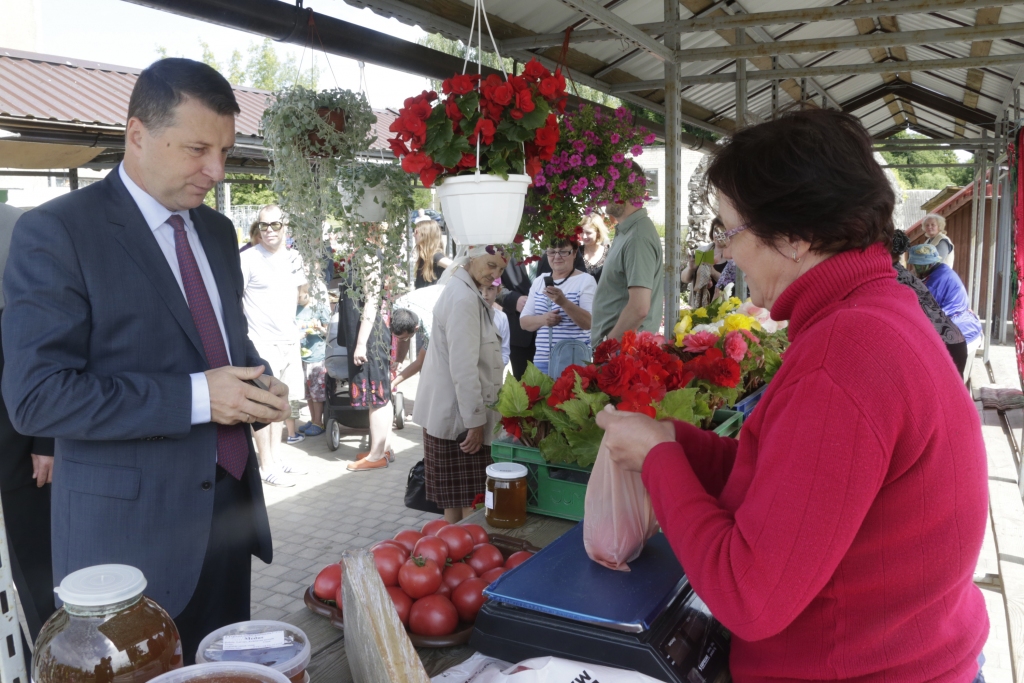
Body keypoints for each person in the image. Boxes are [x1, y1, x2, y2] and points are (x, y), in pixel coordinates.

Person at [594, 108, 988, 683]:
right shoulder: (874, 312)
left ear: (797, 236)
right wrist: (671, 440)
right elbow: (792, 484)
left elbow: (748, 598)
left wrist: (659, 462)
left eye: (732, 231)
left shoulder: (845, 353)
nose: (727, 253)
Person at [1, 58, 291, 662]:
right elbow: (37, 396)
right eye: (197, 149)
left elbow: (220, 347)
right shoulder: (56, 231)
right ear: (136, 134)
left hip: (228, 513)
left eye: (225, 150)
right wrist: (198, 396)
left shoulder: (214, 231)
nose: (215, 169)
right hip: (127, 543)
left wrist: (259, 384)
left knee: (219, 670)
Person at [0, 202, 56, 671]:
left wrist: (45, 441)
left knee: (37, 568)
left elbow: (42, 356)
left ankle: (57, 656)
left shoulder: (16, 222)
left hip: (19, 448)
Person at [414, 245, 507, 523]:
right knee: (472, 503)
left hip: (450, 416)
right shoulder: (465, 298)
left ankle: (454, 558)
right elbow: (464, 369)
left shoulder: (460, 288)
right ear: (472, 254)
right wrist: (475, 422)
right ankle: (466, 559)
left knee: (455, 504)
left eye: (501, 269)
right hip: (460, 421)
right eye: (491, 265)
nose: (495, 274)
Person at [240, 204, 309, 488]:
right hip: (260, 342)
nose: (269, 230)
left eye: (275, 225)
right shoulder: (247, 259)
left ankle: (277, 459)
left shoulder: (295, 257)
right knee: (262, 407)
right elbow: (232, 299)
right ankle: (266, 464)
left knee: (283, 404)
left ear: (285, 226)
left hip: (289, 341)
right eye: (263, 225)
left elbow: (301, 295)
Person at [589, 172, 663, 345]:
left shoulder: (637, 236)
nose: (602, 194)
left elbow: (639, 308)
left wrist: (608, 345)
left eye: (608, 188)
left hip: (623, 353)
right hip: (620, 351)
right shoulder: (629, 231)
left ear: (629, 189)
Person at [341, 250, 396, 472]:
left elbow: (372, 301)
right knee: (382, 394)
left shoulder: (369, 256)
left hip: (370, 339)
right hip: (370, 338)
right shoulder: (365, 254)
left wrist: (361, 343)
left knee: (377, 396)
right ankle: (383, 448)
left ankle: (376, 455)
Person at [891, 230, 968, 377]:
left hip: (946, 344)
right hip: (954, 340)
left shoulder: (900, 277)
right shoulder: (914, 276)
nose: (915, 267)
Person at [909, 243, 983, 382]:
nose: (914, 268)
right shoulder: (940, 271)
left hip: (960, 335)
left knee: (954, 385)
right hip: (964, 330)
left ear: (929, 264)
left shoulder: (936, 281)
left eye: (918, 265)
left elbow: (919, 313)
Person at [520, 239, 596, 375]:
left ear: (574, 253)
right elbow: (524, 322)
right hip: (542, 362)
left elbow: (589, 323)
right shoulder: (539, 281)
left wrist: (564, 303)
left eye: (563, 252)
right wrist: (543, 320)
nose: (556, 257)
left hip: (573, 362)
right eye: (551, 252)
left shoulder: (586, 280)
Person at [296, 286, 330, 437]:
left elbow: (329, 331)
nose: (297, 300)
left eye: (300, 297)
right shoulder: (296, 308)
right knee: (308, 391)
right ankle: (313, 419)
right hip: (302, 356)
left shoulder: (319, 306)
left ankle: (318, 421)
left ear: (307, 293)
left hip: (317, 355)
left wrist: (319, 329)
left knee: (317, 391)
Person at [500, 257, 537, 379]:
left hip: (555, 329)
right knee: (524, 390)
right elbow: (490, 280)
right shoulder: (504, 244)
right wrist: (512, 299)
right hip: (520, 332)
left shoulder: (554, 240)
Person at [391, 308, 427, 392]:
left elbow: (419, 362)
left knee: (428, 367)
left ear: (416, 329)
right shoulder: (397, 311)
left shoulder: (428, 333)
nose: (398, 339)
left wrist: (393, 383)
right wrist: (399, 360)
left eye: (402, 337)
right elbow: (403, 339)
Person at [413, 211, 452, 289]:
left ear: (425, 235)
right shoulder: (425, 257)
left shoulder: (436, 256)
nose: (414, 235)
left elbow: (457, 267)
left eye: (416, 232)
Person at [481, 278, 511, 367]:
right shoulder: (469, 315)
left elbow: (504, 350)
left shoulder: (502, 317)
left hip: (494, 373)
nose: (484, 294)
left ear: (498, 290)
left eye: (490, 288)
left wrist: (498, 368)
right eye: (481, 288)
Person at [579, 213, 611, 282]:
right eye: (582, 232)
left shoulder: (610, 253)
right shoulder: (576, 253)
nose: (584, 236)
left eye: (588, 233)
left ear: (598, 233)